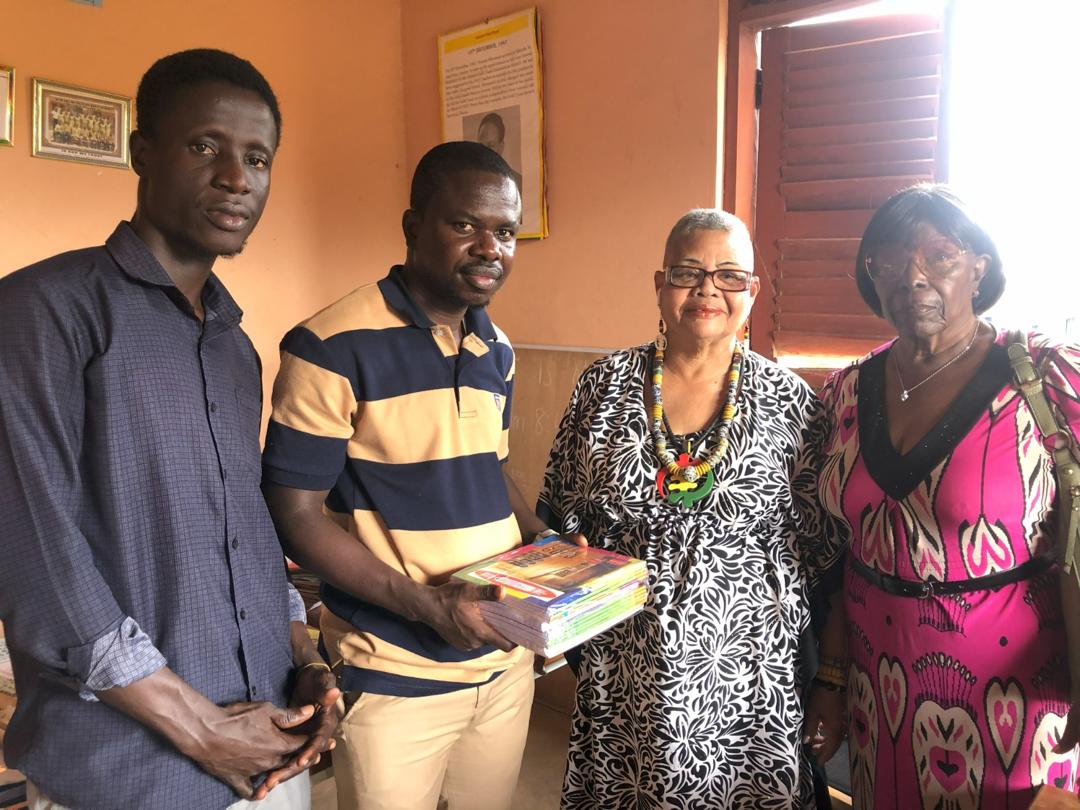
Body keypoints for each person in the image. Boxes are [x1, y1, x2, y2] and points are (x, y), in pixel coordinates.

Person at [0, 49, 340, 810]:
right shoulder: (42, 312)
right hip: (127, 774)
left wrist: (306, 662)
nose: (236, 177)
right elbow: (34, 557)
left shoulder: (234, 348)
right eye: (205, 146)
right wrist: (203, 731)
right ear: (142, 152)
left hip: (270, 751)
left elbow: (248, 535)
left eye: (258, 158)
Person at [262, 141, 578, 810]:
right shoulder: (329, 346)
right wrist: (430, 607)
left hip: (502, 664)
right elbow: (294, 515)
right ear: (413, 228)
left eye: (506, 231)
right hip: (391, 673)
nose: (490, 248)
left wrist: (546, 542)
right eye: (465, 224)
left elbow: (488, 469)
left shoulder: (496, 348)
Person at [537, 208, 844, 808]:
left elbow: (825, 558)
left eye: (730, 275)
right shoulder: (603, 385)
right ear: (660, 285)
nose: (708, 289)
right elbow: (562, 520)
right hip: (622, 670)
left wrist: (830, 681)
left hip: (752, 682)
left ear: (753, 291)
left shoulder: (792, 402)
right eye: (688, 272)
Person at [815, 184, 1080, 808]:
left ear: (979, 267)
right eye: (888, 259)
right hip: (880, 694)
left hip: (1013, 700)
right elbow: (845, 551)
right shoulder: (845, 392)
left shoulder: (1045, 376)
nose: (912, 276)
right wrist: (831, 678)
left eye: (939, 255)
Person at [475, 112, 522, 194]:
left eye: (491, 145)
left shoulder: (518, 182)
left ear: (501, 147)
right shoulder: (470, 182)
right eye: (481, 145)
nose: (484, 151)